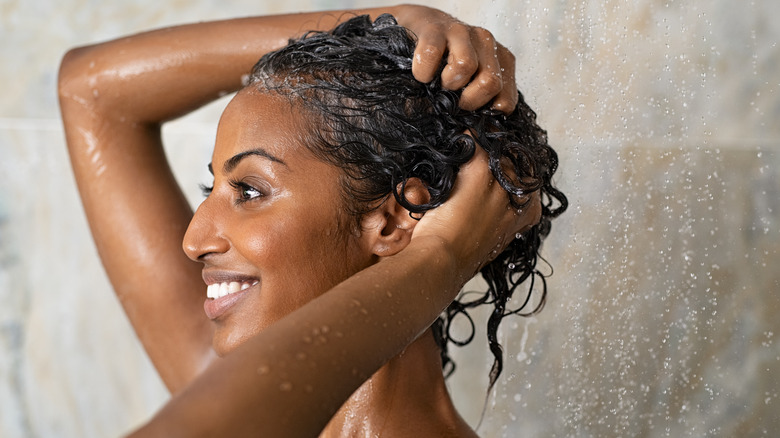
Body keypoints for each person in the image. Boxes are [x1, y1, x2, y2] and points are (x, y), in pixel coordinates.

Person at [58, 5, 566, 437]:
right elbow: (91, 91)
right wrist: (376, 25)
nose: (192, 241)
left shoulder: (228, 408)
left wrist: (440, 257)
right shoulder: (232, 391)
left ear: (391, 222)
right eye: (210, 187)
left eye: (249, 191)